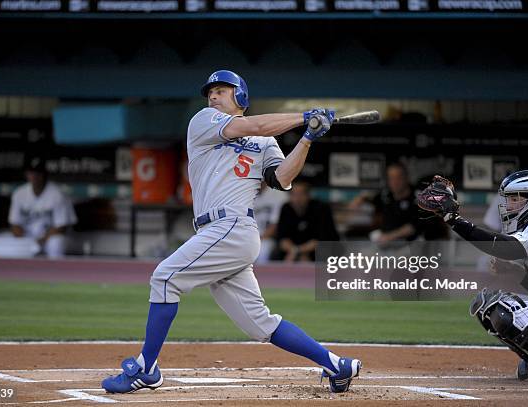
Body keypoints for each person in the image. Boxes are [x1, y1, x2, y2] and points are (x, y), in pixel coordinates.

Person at [101, 70, 361, 394]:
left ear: (241, 96)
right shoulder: (204, 120)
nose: (213, 96)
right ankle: (337, 365)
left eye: (222, 91)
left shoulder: (266, 143)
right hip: (218, 232)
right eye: (211, 91)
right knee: (261, 324)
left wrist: (308, 137)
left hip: (233, 227)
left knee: (165, 278)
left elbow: (281, 178)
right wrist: (303, 117)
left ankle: (146, 368)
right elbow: (250, 126)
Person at [417, 170, 528, 388]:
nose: (509, 205)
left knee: (501, 304)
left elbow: (504, 246)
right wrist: (513, 272)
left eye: (515, 199)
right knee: (485, 302)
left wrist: (454, 219)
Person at [0, 157, 77, 258]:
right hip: (28, 238)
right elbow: (15, 224)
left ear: (44, 174)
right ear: (26, 174)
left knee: (56, 243)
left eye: (38, 173)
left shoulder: (57, 194)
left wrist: (39, 241)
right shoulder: (19, 193)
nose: (34, 176)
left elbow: (61, 227)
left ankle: (55, 272)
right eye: (31, 173)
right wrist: (24, 240)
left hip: (49, 239)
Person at [348, 162, 418, 244]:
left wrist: (389, 236)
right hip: (386, 243)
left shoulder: (418, 197)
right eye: (391, 178)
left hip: (410, 245)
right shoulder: (386, 195)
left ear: (406, 177)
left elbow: (415, 226)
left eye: (398, 177)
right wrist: (361, 199)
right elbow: (371, 199)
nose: (395, 182)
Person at [273, 181, 339, 262]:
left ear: (308, 195)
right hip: (292, 251)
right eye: (294, 194)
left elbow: (322, 240)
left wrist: (299, 251)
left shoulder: (321, 208)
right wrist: (295, 251)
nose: (297, 198)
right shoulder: (286, 208)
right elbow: (282, 239)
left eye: (301, 194)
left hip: (318, 251)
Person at [254, 182, 288, 263]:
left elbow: (275, 225)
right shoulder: (244, 192)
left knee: (262, 250)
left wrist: (256, 240)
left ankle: (261, 276)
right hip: (246, 237)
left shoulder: (278, 194)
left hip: (266, 239)